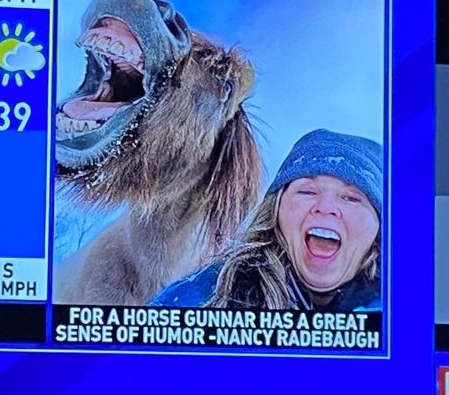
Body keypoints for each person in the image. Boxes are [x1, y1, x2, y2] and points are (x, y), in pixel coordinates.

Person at [152, 129, 382, 312]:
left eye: (351, 198)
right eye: (307, 192)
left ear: (380, 228)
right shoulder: (200, 299)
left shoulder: (408, 319)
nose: (325, 208)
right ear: (276, 212)